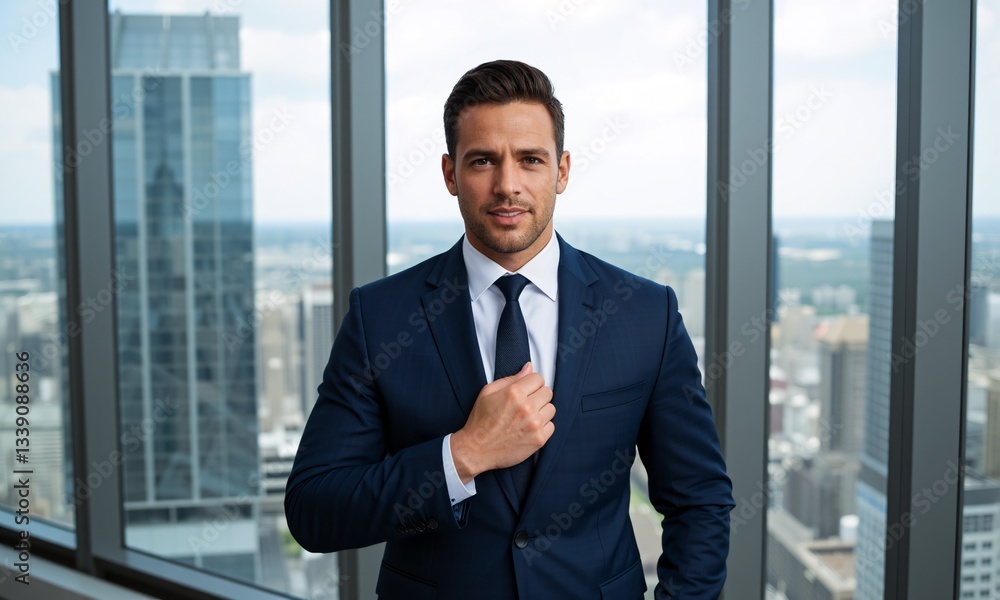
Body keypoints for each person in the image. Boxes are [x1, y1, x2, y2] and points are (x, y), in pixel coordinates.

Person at [285, 59, 734, 600]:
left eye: (530, 160)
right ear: (451, 174)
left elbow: (701, 501)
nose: (507, 185)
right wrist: (462, 455)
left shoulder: (645, 314)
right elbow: (315, 509)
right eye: (482, 161)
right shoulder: (379, 318)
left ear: (562, 171)